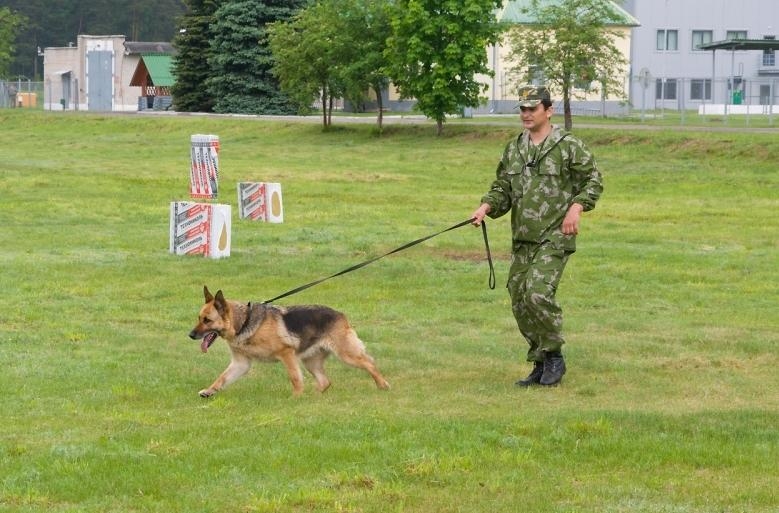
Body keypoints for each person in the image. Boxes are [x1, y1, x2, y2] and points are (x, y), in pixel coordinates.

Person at [470, 85, 603, 387]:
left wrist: (577, 208)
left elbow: (593, 180)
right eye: (522, 109)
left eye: (532, 108)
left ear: (548, 110)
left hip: (555, 236)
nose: (526, 114)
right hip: (523, 238)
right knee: (519, 299)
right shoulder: (515, 148)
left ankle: (554, 355)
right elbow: (503, 187)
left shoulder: (568, 145)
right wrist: (486, 207)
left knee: (537, 293)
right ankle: (540, 360)